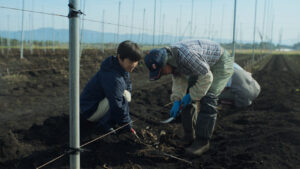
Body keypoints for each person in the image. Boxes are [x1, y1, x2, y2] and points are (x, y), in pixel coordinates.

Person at [144, 39, 234, 156]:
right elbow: (179, 79)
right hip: (202, 65)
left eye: (161, 72)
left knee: (208, 97)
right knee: (186, 97)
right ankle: (189, 135)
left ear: (166, 63)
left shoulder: (186, 57)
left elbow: (207, 78)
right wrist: (177, 99)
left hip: (219, 62)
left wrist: (191, 96)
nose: (163, 74)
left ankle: (202, 142)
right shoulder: (171, 59)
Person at [80, 40, 142, 134]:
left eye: (136, 61)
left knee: (125, 95)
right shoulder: (112, 76)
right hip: (90, 110)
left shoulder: (120, 68)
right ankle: (104, 125)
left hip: (96, 104)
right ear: (120, 57)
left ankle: (109, 121)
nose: (134, 64)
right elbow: (117, 104)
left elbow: (127, 84)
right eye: (131, 61)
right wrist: (127, 125)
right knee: (122, 97)